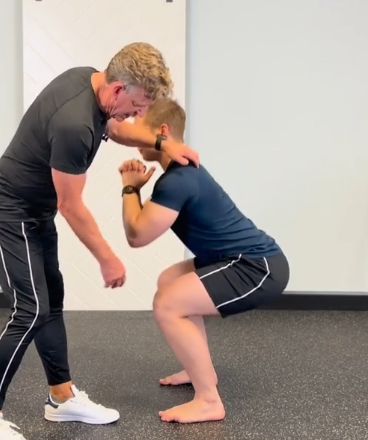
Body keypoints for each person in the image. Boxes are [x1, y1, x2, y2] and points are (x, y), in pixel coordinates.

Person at [0, 42, 199, 440]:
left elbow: (114, 126)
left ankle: (61, 398)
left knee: (51, 303)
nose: (137, 115)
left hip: (35, 211)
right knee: (30, 311)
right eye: (137, 105)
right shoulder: (74, 124)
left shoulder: (89, 80)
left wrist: (164, 143)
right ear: (117, 88)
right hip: (8, 211)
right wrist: (108, 258)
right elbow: (71, 205)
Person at [118, 98, 290, 424]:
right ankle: (199, 370)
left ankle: (209, 401)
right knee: (170, 281)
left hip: (257, 267)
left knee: (168, 303)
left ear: (162, 131)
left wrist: (129, 188)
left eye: (139, 127)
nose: (136, 136)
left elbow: (137, 236)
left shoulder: (178, 180)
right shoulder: (179, 173)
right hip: (237, 259)